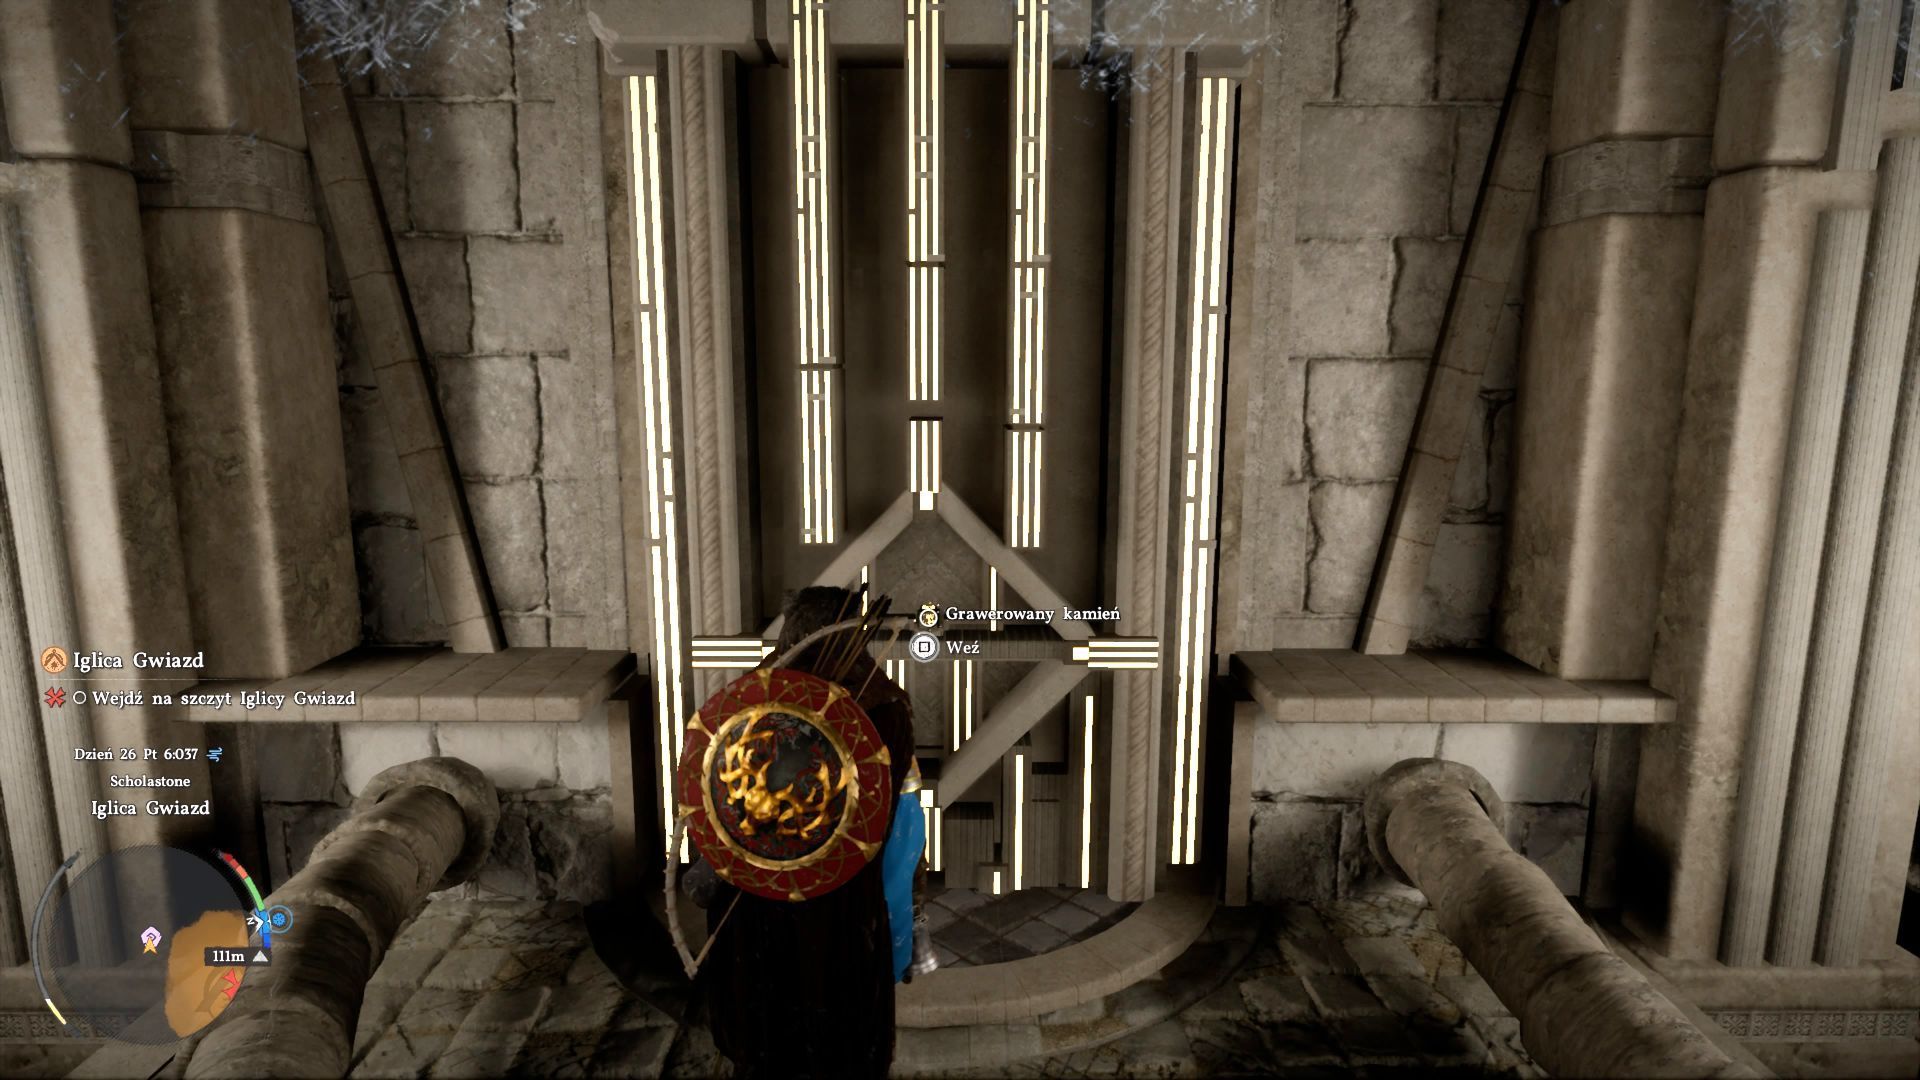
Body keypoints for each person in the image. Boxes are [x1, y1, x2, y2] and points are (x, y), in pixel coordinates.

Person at [688, 586, 916, 1079]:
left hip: (802, 886)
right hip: (821, 891)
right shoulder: (883, 705)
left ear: (796, 631)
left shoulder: (760, 696)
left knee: (781, 1018)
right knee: (817, 1020)